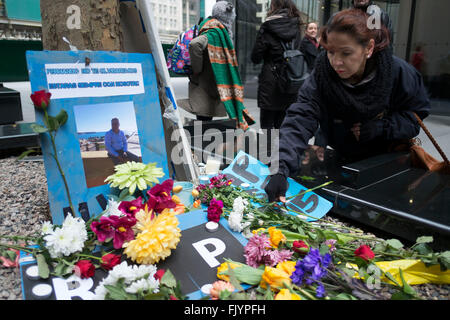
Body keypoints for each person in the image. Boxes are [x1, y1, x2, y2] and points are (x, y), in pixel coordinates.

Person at [264, 9, 430, 203]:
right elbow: (299, 118)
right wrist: (280, 168)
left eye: (346, 53)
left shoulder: (398, 73)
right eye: (331, 52)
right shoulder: (322, 76)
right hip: (341, 159)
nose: (336, 62)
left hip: (388, 162)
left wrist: (380, 127)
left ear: (368, 48)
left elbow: (414, 118)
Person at [183, 0, 254, 130]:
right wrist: (197, 69)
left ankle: (200, 145)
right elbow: (195, 44)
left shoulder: (216, 29)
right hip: (206, 84)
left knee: (205, 119)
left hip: (209, 84)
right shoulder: (214, 31)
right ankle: (198, 147)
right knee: (203, 120)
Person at [250, 0, 303, 130]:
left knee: (267, 125)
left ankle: (267, 149)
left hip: (270, 81)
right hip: (290, 79)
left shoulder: (268, 26)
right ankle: (280, 150)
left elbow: (256, 57)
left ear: (274, 6)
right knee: (283, 125)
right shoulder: (296, 26)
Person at [299, 21, 326, 163]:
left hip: (319, 80)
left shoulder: (319, 44)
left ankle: (318, 148)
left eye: (315, 28)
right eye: (311, 28)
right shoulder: (304, 43)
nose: (313, 30)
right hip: (309, 79)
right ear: (306, 30)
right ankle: (308, 149)